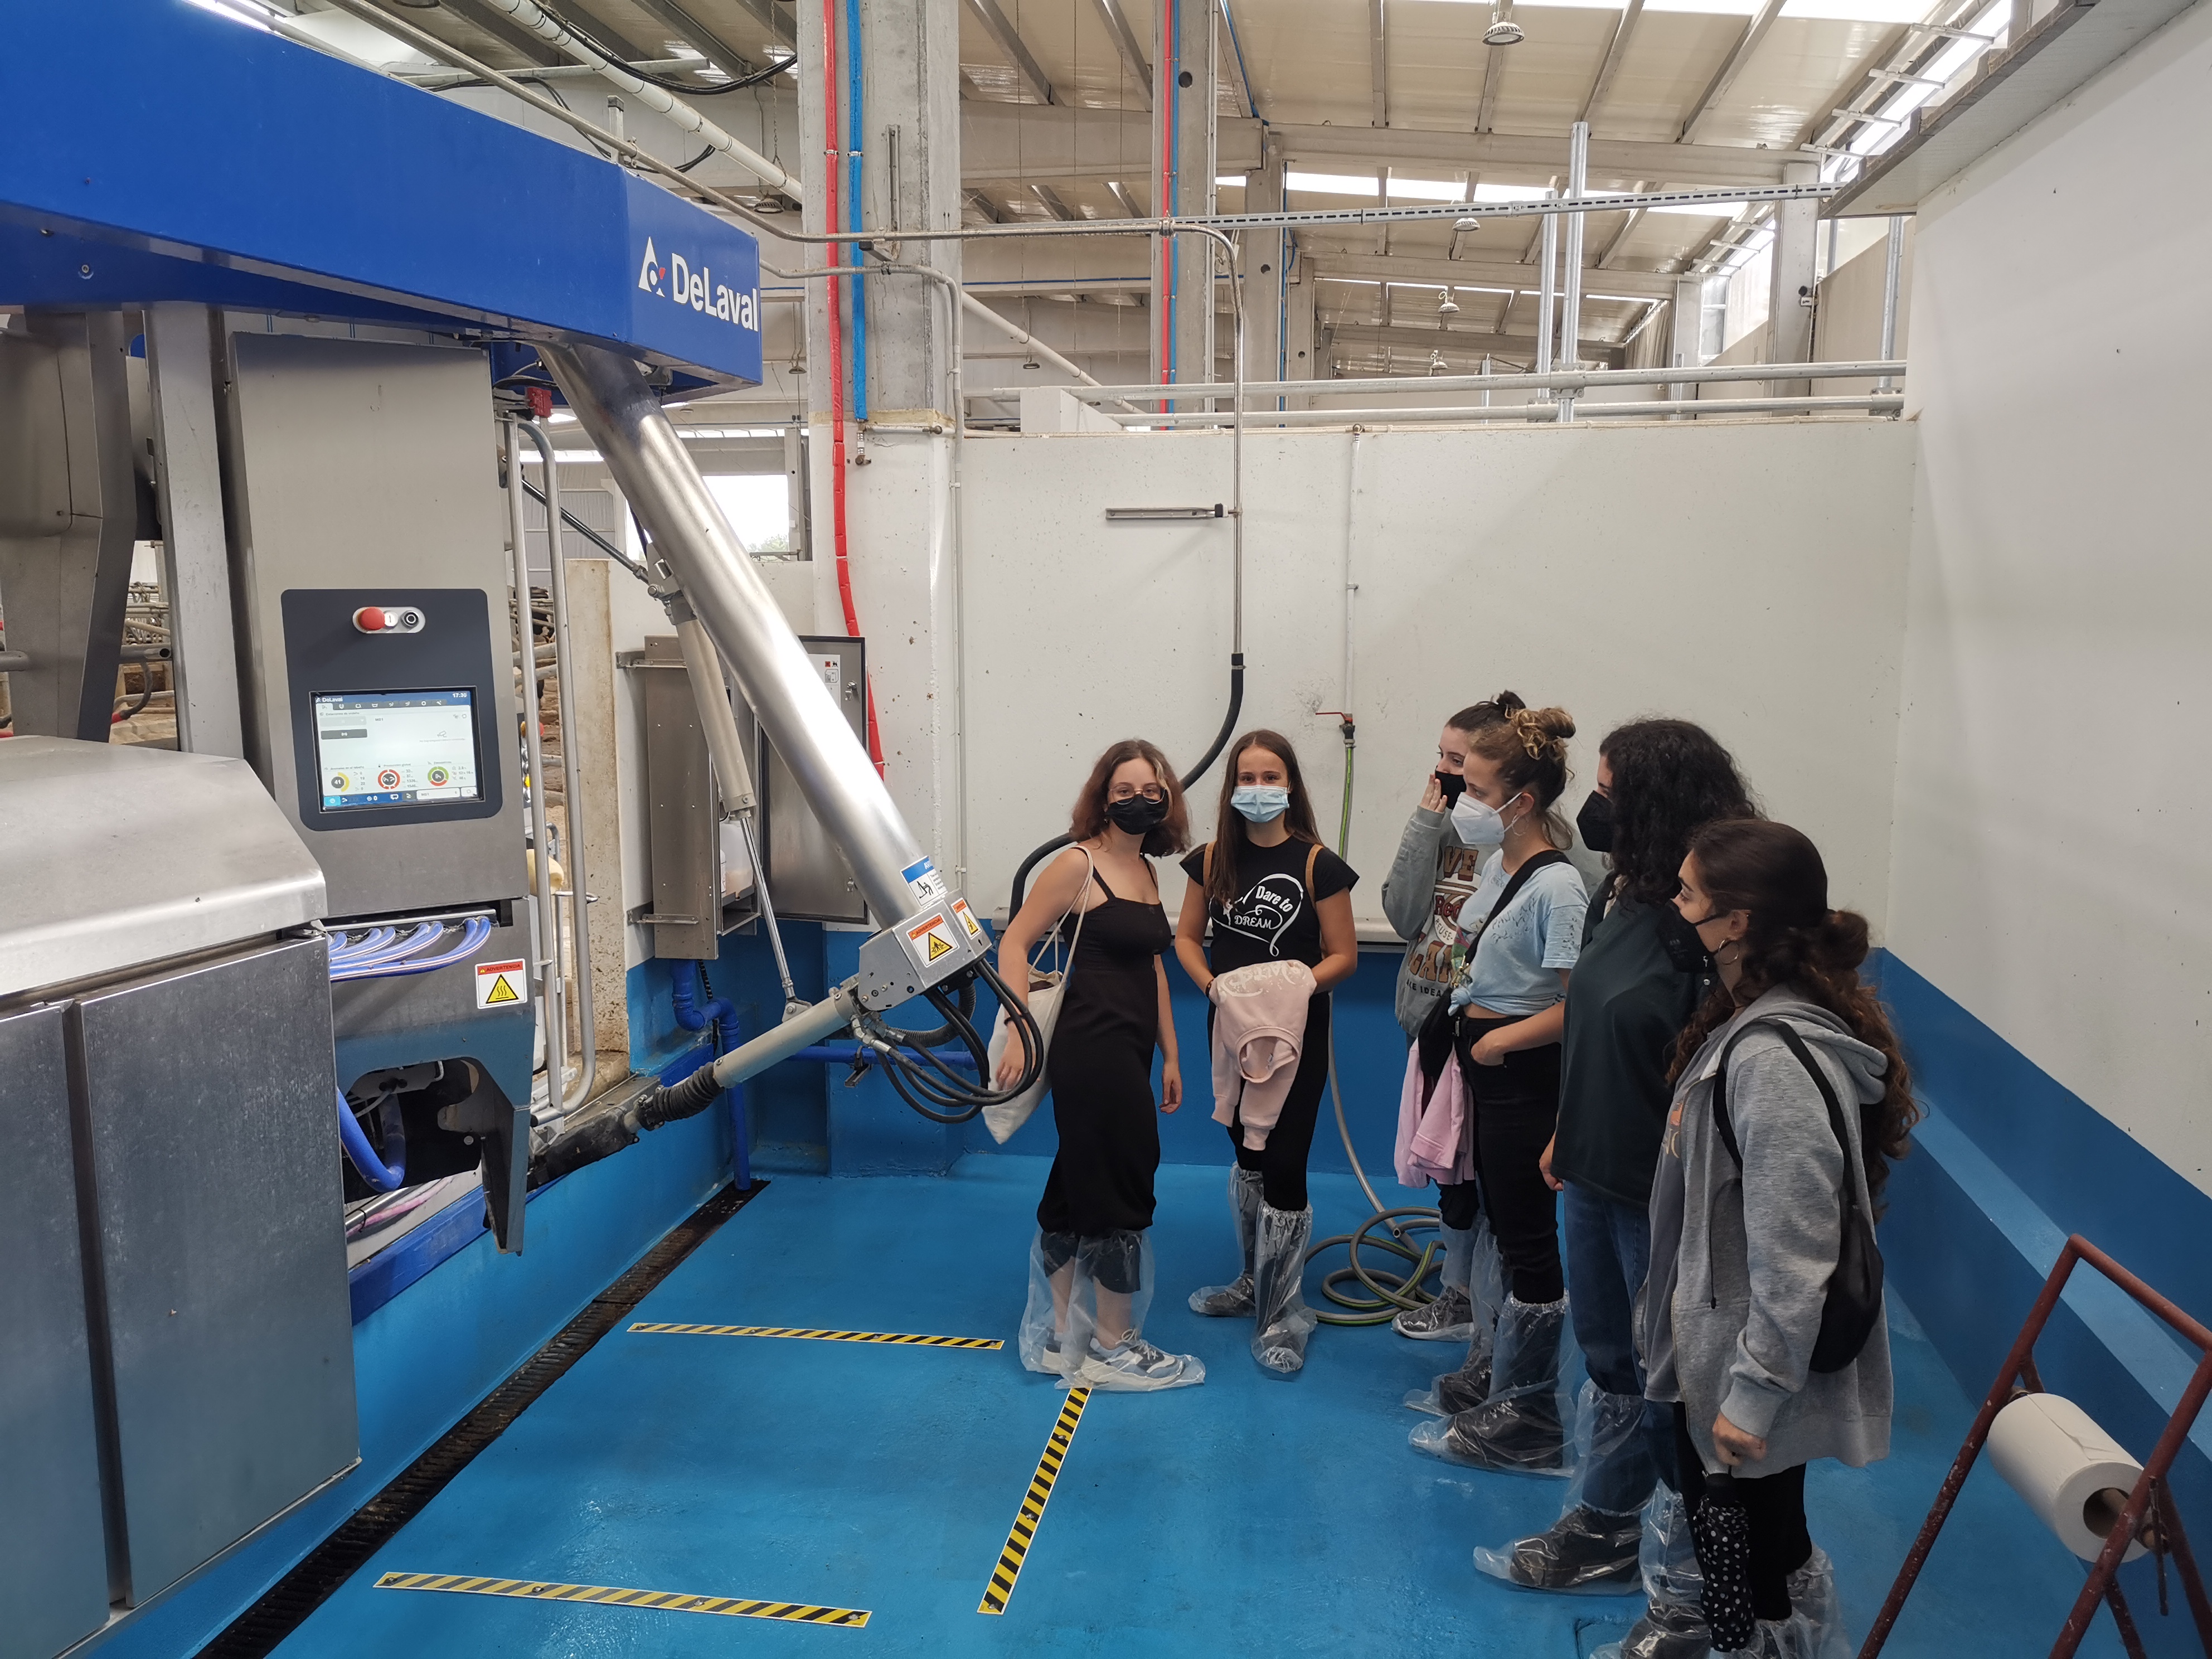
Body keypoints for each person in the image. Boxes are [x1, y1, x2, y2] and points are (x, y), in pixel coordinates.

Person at [1488, 721, 1757, 1595]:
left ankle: (1695, 1581)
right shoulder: (1622, 897)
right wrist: (1567, 1129)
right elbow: (1593, 1025)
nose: (1594, 808)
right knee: (1610, 1356)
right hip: (1592, 1170)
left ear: (1658, 805)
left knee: (1671, 1378)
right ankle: (1607, 1526)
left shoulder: (1709, 927)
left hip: (1663, 1192)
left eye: (1610, 793)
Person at [1640, 819, 1912, 1655]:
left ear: (1737, 923)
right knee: (1757, 1547)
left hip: (1739, 1367)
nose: (1672, 907)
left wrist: (1752, 1397)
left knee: (1757, 1565)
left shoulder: (1770, 1062)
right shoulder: (1754, 1019)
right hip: (1715, 1347)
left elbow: (1796, 1256)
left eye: (1687, 894)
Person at [1409, 699, 1587, 1472]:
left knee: (1526, 1239)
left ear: (1522, 801)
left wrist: (1500, 1041)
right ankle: (1498, 1371)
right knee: (1494, 1221)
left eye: (1478, 791)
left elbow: (1575, 1005)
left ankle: (1531, 1418)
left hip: (1518, 1075)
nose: (1465, 802)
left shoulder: (1559, 888)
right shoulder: (1496, 866)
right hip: (1479, 1062)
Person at [998, 739, 1204, 1393]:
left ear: (1166, 799)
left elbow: (1153, 969)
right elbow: (1014, 942)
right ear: (1102, 798)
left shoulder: (1144, 870)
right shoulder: (1076, 865)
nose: (1138, 800)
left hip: (1132, 1051)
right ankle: (1113, 1346)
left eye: (1150, 790)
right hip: (1090, 1049)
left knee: (1075, 1180)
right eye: (1124, 790)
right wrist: (1017, 1032)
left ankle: (1059, 1334)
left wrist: (1171, 1053)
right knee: (1123, 1179)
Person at [1175, 730, 1359, 1375]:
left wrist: (1290, 985)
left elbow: (1343, 956)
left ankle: (1282, 1315)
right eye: (1246, 778)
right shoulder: (1209, 861)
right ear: (1231, 788)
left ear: (1290, 785)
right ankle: (1253, 1282)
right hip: (1229, 1031)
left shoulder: (1318, 866)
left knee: (1283, 1162)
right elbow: (1187, 938)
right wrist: (1214, 988)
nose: (1257, 789)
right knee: (1245, 1154)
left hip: (1292, 1037)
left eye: (1269, 777)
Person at [1382, 700, 1511, 1343]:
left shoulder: (1533, 843)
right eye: (1440, 755)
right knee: (1449, 1173)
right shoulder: (1439, 825)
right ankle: (1458, 1296)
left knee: (1493, 1175)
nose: (1442, 769)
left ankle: (1496, 1304)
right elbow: (1403, 916)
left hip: (1495, 1035)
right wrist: (1423, 825)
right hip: (1429, 1022)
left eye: (1456, 761)